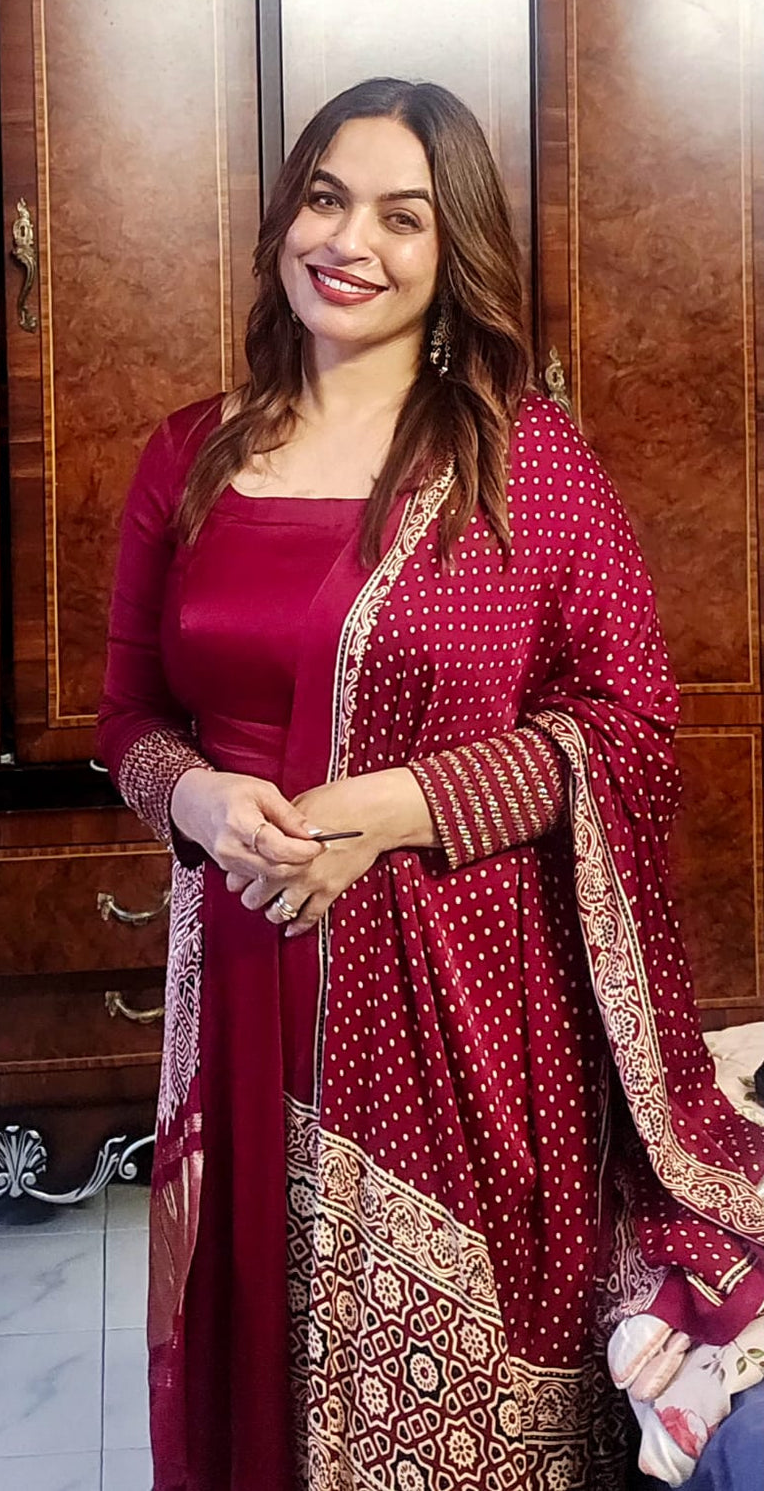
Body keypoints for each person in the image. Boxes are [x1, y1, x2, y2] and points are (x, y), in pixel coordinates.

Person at [97, 77, 764, 1491]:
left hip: (458, 1002)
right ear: (284, 214)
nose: (349, 242)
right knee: (250, 1361)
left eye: (402, 217)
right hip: (239, 974)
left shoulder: (521, 459)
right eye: (325, 198)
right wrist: (199, 803)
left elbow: (632, 726)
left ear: (453, 252)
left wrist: (390, 807)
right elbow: (131, 719)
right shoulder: (187, 455)